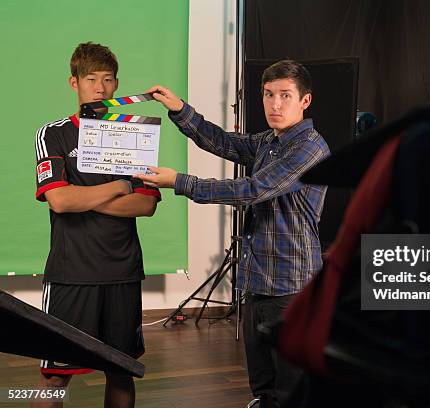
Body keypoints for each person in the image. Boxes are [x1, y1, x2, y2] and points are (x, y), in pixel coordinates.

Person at [135, 60, 330, 407]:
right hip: (258, 279)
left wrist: (179, 182)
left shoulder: (310, 149)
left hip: (292, 283)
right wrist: (180, 110)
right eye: (268, 95)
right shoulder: (270, 141)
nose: (275, 104)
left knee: (293, 383)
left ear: (305, 100)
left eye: (285, 95)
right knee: (263, 379)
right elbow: (224, 143)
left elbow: (253, 189)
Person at [33, 42, 161, 408]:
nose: (100, 88)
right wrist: (120, 186)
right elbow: (59, 200)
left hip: (122, 272)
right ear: (74, 83)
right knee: (54, 377)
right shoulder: (53, 134)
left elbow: (146, 205)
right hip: (71, 274)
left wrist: (84, 197)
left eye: (107, 80)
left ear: (117, 84)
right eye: (91, 79)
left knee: (121, 371)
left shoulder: (132, 133)